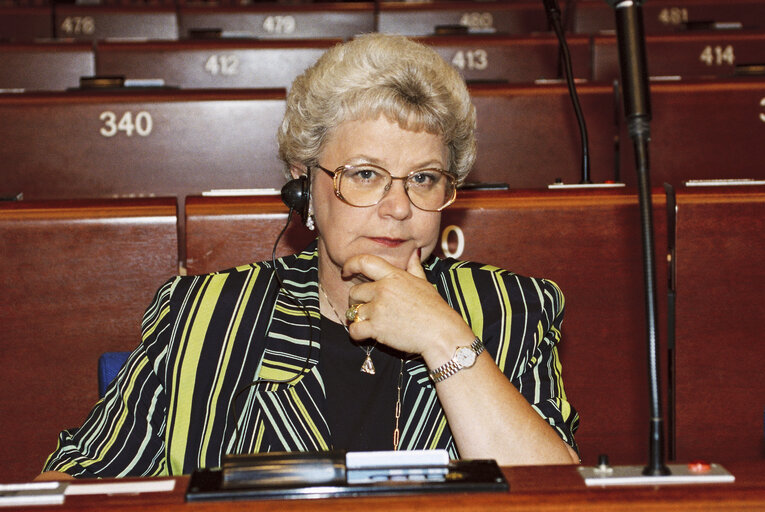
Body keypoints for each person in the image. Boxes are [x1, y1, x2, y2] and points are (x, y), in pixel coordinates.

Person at [38, 33, 579, 480]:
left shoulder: (510, 309)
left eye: (423, 178)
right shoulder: (205, 315)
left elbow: (558, 497)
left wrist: (443, 339)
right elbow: (74, 481)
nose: (397, 207)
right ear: (304, 187)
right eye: (365, 174)